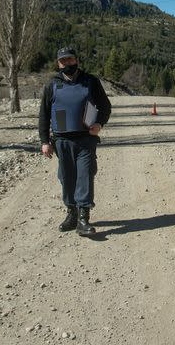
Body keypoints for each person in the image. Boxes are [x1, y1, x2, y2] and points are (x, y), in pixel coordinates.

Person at [38, 47, 112, 236]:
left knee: (85, 175)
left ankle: (83, 218)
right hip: (62, 140)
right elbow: (44, 115)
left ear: (77, 60)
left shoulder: (91, 82)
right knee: (66, 177)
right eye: (63, 61)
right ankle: (71, 213)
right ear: (58, 64)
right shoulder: (52, 85)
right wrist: (44, 141)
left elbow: (105, 106)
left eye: (70, 60)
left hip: (86, 138)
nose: (67, 64)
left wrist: (99, 123)